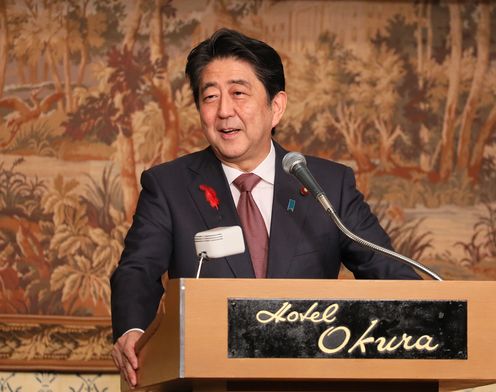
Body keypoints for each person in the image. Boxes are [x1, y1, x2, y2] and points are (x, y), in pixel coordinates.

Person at [110, 28, 421, 388]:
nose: (224, 111)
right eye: (210, 97)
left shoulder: (327, 185)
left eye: (238, 94)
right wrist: (134, 329)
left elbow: (392, 275)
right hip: (207, 381)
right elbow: (137, 269)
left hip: (312, 381)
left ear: (276, 107)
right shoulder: (169, 185)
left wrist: (426, 318)